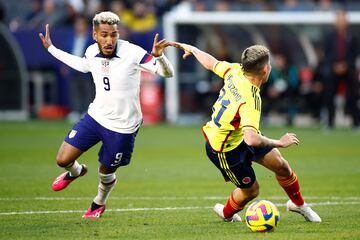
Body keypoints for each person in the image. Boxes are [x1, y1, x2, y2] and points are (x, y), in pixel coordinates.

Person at [39, 11, 174, 218]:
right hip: (96, 116)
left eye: (113, 34)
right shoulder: (92, 50)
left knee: (106, 172)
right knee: (62, 159)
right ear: (95, 35)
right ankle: (77, 171)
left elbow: (167, 73)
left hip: (123, 126)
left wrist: (160, 57)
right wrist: (52, 49)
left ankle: (98, 203)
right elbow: (83, 65)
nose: (109, 40)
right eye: (104, 35)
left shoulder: (132, 52)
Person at [169, 42, 321, 223]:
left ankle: (299, 205)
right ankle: (226, 214)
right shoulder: (250, 99)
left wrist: (193, 49)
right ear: (265, 70)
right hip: (224, 149)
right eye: (270, 64)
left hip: (239, 133)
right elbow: (252, 139)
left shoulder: (235, 70)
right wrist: (279, 142)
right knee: (252, 191)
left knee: (281, 165)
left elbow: (211, 63)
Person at [323, 10, 359, 129]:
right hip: (333, 69)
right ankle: (329, 123)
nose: (340, 22)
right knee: (329, 95)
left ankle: (355, 123)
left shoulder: (352, 36)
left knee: (353, 96)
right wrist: (335, 65)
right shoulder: (329, 37)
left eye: (342, 19)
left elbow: (354, 54)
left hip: (348, 69)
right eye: (338, 19)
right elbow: (327, 55)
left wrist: (346, 65)